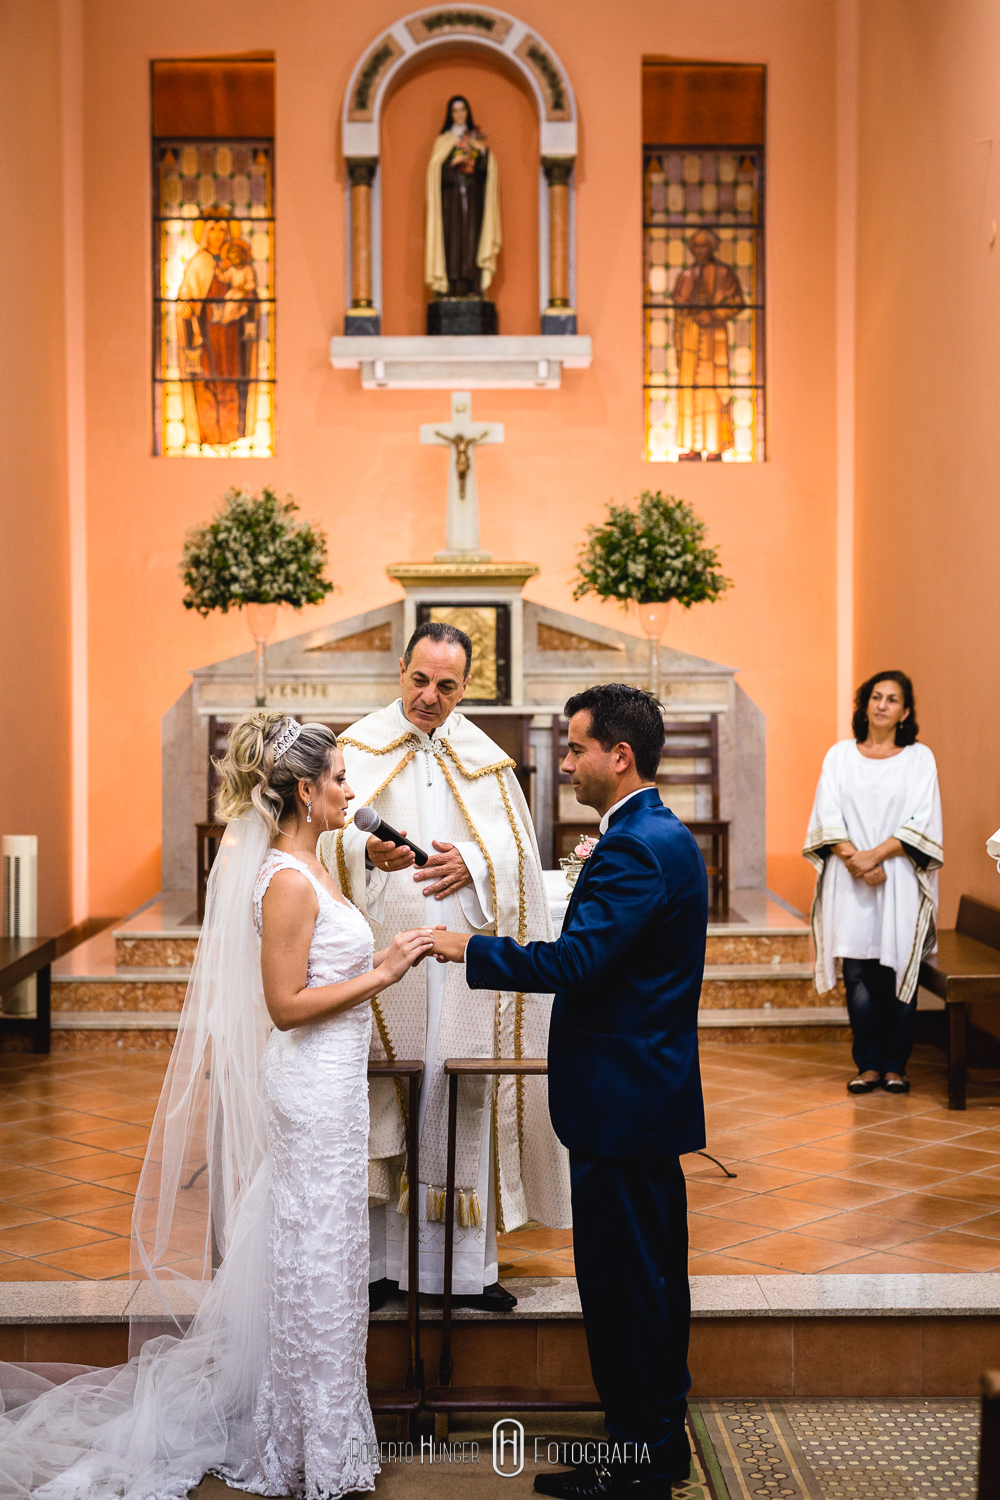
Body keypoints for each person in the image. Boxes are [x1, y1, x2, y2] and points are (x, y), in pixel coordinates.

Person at [0, 712, 434, 1498]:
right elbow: (286, 1005)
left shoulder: (312, 865)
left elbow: (319, 971)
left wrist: (377, 957)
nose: (351, 791)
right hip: (310, 1088)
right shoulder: (289, 881)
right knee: (316, 1261)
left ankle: (315, 1436)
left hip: (334, 1087)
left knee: (327, 1260)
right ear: (305, 792)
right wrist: (384, 971)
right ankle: (306, 1448)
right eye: (339, 778)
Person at [432, 684, 707, 1500]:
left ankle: (640, 1461)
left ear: (619, 756)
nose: (566, 762)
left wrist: (467, 947)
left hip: (621, 1106)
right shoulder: (658, 834)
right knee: (649, 1280)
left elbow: (575, 964)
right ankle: (654, 1442)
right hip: (642, 1096)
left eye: (577, 747)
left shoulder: (634, 848)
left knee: (625, 1289)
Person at [319, 622, 569, 1312]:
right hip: (385, 964)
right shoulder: (355, 751)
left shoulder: (487, 762)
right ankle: (376, 1266)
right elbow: (313, 843)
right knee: (384, 1094)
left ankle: (461, 1273)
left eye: (447, 686)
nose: (429, 696)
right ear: (401, 669)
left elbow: (520, 860)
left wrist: (477, 864)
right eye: (420, 679)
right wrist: (365, 856)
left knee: (461, 1094)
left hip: (462, 972)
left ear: (465, 688)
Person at [804, 671, 943, 1094]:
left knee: (900, 964)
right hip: (850, 877)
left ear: (905, 712)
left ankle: (896, 1065)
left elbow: (922, 817)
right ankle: (867, 1064)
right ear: (865, 705)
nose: (882, 705)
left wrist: (874, 857)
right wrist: (858, 861)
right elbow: (827, 812)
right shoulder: (840, 756)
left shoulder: (919, 758)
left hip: (899, 874)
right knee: (858, 970)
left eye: (892, 699)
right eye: (876, 697)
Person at [673, 228, 744, 461]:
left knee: (713, 391)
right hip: (690, 338)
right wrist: (679, 345)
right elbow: (679, 310)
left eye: (705, 246)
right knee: (689, 390)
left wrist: (715, 315)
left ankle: (715, 447)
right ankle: (690, 446)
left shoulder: (724, 273)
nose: (700, 250)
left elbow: (737, 302)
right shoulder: (686, 276)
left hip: (714, 338)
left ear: (713, 248)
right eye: (696, 246)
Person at [425, 94, 502, 298]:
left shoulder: (475, 138)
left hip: (473, 197)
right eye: (455, 111)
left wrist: (482, 152)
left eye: (462, 110)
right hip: (451, 201)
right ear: (450, 115)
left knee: (471, 239)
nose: (459, 114)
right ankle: (452, 287)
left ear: (467, 112)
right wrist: (453, 161)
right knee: (453, 242)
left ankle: (473, 285)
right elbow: (435, 172)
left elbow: (487, 169)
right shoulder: (443, 141)